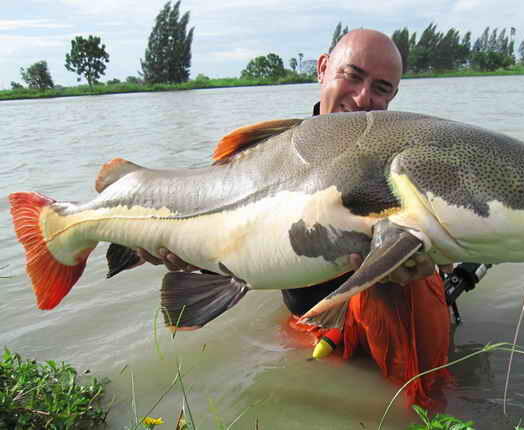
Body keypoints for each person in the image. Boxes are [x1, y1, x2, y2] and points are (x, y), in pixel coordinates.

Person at [137, 29, 453, 409]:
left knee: (411, 286)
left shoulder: (405, 156)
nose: (362, 98)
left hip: (384, 310)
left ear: (394, 96)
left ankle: (426, 409)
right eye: (351, 76)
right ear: (322, 68)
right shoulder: (268, 153)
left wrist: (434, 261)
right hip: (313, 323)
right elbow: (229, 241)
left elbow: (447, 240)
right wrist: (182, 258)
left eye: (381, 88)